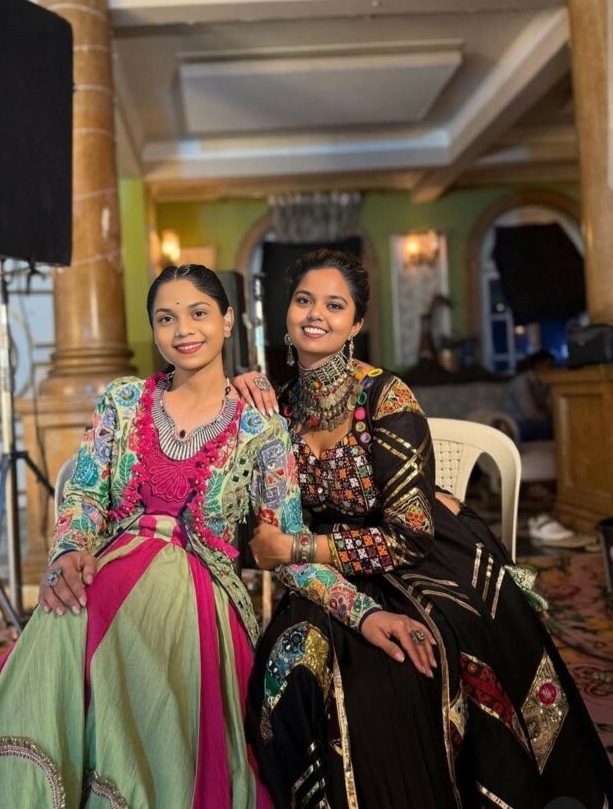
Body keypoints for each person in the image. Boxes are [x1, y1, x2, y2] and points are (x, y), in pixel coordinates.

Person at [0, 263, 398, 807]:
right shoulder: (123, 401)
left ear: (227, 321)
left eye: (198, 313)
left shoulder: (260, 427)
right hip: (101, 583)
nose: (183, 330)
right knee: (64, 610)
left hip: (197, 606)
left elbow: (287, 548)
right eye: (166, 318)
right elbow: (83, 493)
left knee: (143, 611)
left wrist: (364, 612)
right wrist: (68, 550)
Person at [233, 249, 613, 809]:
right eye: (304, 300)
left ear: (356, 324)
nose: (315, 314)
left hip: (420, 555)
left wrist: (297, 546)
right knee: (290, 667)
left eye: (334, 305)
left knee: (401, 671)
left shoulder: (387, 397)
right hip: (328, 573)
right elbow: (265, 531)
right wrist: (234, 384)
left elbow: (409, 536)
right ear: (287, 312)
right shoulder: (278, 408)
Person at [504, 349, 555, 442]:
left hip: (535, 421)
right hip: (516, 424)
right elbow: (529, 413)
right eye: (549, 366)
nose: (552, 370)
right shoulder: (521, 382)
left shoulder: (544, 383)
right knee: (546, 426)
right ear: (538, 366)